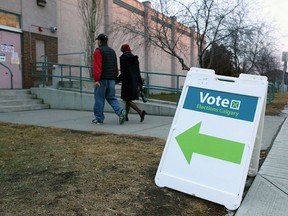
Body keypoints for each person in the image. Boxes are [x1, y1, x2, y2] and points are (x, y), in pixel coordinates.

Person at [92, 33, 126, 125]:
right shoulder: (112, 51)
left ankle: (99, 119)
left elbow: (97, 66)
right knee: (111, 98)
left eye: (98, 40)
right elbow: (115, 66)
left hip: (102, 80)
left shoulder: (98, 51)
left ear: (100, 41)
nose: (97, 42)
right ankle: (120, 112)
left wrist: (96, 79)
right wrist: (115, 77)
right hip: (111, 79)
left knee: (99, 99)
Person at [119, 44, 147, 122]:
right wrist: (140, 83)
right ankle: (126, 116)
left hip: (127, 81)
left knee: (127, 99)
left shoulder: (122, 58)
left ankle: (140, 112)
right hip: (134, 81)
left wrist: (117, 79)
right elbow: (138, 72)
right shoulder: (135, 58)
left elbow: (124, 72)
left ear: (122, 50)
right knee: (128, 99)